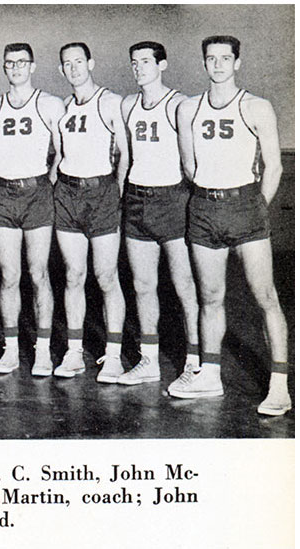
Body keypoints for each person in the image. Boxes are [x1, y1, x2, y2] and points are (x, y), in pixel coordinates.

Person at [176, 35, 290, 416]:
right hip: (205, 208)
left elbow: (273, 166)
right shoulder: (188, 109)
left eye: (226, 58)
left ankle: (279, 385)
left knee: (265, 296)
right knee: (210, 297)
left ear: (237, 63)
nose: (219, 65)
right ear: (204, 63)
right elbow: (189, 166)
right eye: (211, 58)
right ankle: (209, 375)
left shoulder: (256, 107)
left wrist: (256, 207)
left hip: (246, 207)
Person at [116, 41, 200, 386]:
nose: (139, 68)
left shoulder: (178, 104)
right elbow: (126, 157)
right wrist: (121, 197)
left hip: (172, 199)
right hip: (137, 199)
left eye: (146, 62)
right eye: (134, 63)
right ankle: (148, 360)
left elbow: (191, 161)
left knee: (184, 285)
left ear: (162, 65)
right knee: (143, 284)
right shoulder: (127, 105)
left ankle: (196, 362)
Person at [0, 43, 65, 376]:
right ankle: (11, 349)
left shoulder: (49, 104)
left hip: (37, 192)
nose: (15, 68)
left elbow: (62, 152)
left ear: (33, 66)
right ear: (4, 68)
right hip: (2, 193)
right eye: (9, 63)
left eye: (21, 62)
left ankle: (42, 351)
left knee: (38, 272)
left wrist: (47, 182)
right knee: (9, 275)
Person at [53, 42, 129, 381]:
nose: (73, 68)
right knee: (73, 275)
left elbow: (125, 155)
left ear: (91, 62)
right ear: (61, 70)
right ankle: (73, 352)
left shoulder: (111, 102)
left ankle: (113, 355)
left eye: (79, 61)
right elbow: (58, 153)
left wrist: (118, 192)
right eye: (67, 64)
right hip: (68, 194)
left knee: (107, 275)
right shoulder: (63, 106)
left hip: (101, 194)